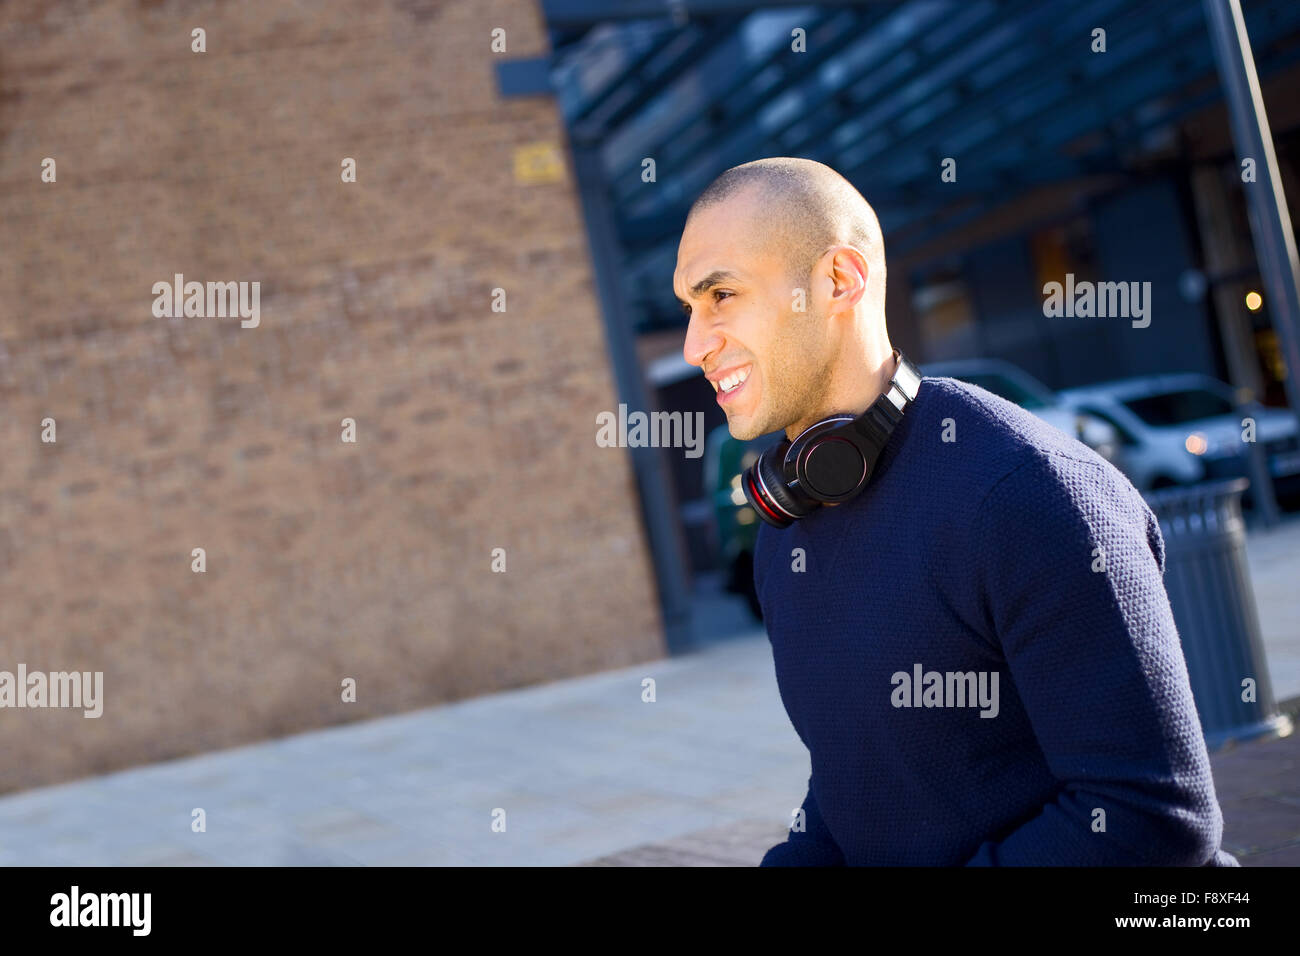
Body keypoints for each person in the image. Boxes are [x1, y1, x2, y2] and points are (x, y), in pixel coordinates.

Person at [674, 156, 1238, 866]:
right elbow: (859, 783)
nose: (696, 344)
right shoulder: (790, 526)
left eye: (720, 294)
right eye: (687, 309)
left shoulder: (1028, 492)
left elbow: (1150, 819)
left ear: (838, 281)